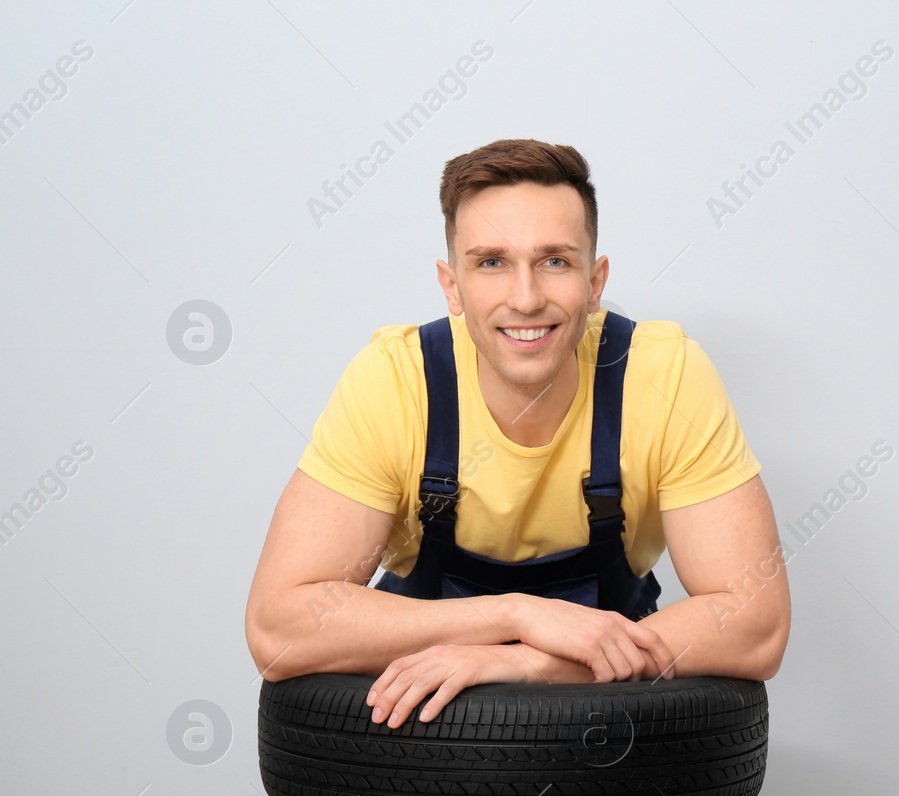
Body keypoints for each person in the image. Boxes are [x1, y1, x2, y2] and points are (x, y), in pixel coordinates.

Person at [244, 138, 790, 730]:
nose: (526, 299)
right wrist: (516, 617)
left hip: (609, 748)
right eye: (491, 263)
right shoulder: (398, 381)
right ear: (451, 285)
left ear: (595, 280)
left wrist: (535, 664)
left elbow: (755, 626)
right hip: (419, 760)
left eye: (555, 260)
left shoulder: (662, 375)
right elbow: (278, 629)